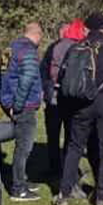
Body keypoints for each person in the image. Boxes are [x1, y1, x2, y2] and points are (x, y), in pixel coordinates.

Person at [54, 14, 103, 205]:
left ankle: (63, 194)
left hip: (80, 105)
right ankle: (101, 198)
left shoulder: (75, 48)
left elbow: (63, 77)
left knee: (74, 147)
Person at [0, 22, 44, 201]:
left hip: (13, 103)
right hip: (24, 106)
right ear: (38, 34)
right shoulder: (29, 53)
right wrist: (17, 105)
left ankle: (21, 180)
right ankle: (18, 189)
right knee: (24, 148)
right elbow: (26, 82)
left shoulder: (9, 49)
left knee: (21, 146)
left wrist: (4, 101)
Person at [41, 19, 85, 181]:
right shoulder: (75, 47)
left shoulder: (57, 47)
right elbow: (44, 71)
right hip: (61, 99)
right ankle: (62, 169)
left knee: (59, 136)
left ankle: (60, 168)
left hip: (57, 98)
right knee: (62, 136)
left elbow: (44, 71)